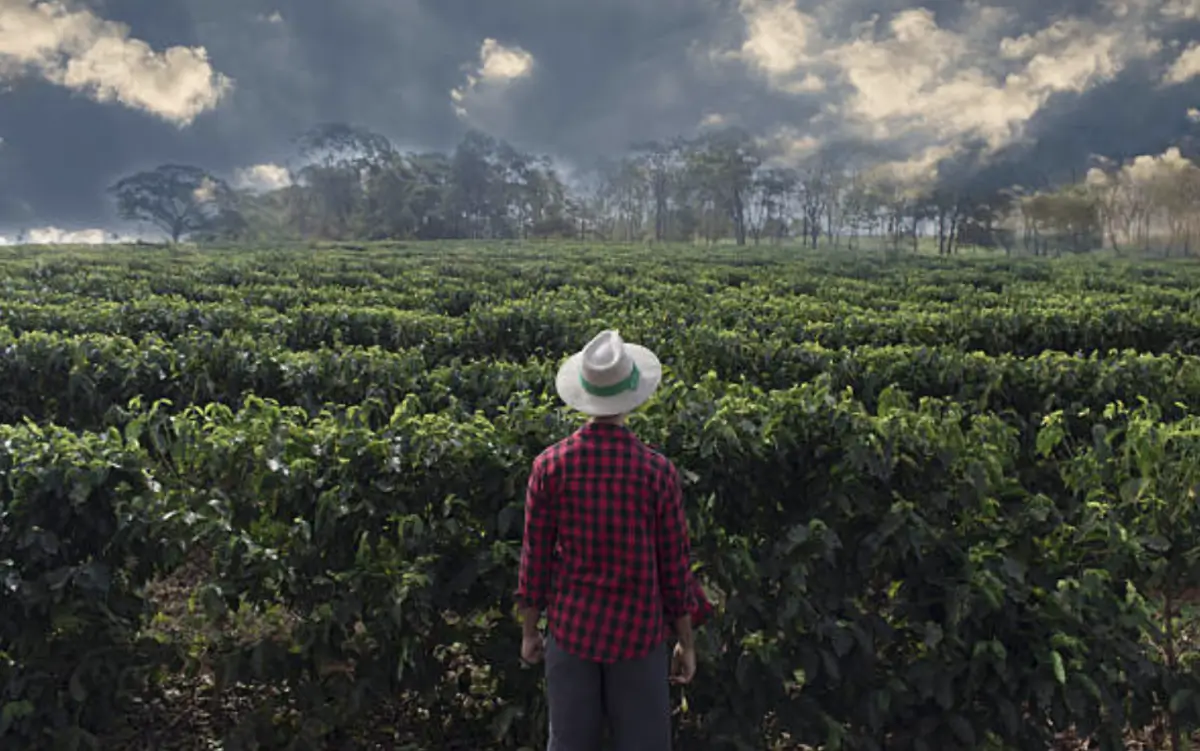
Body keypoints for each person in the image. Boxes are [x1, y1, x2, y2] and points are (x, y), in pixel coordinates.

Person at [515, 329, 710, 751]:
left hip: (572, 632)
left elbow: (535, 559)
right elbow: (675, 568)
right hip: (638, 636)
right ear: (634, 398)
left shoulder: (549, 466)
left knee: (568, 743)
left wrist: (531, 631)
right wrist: (685, 642)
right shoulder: (657, 472)